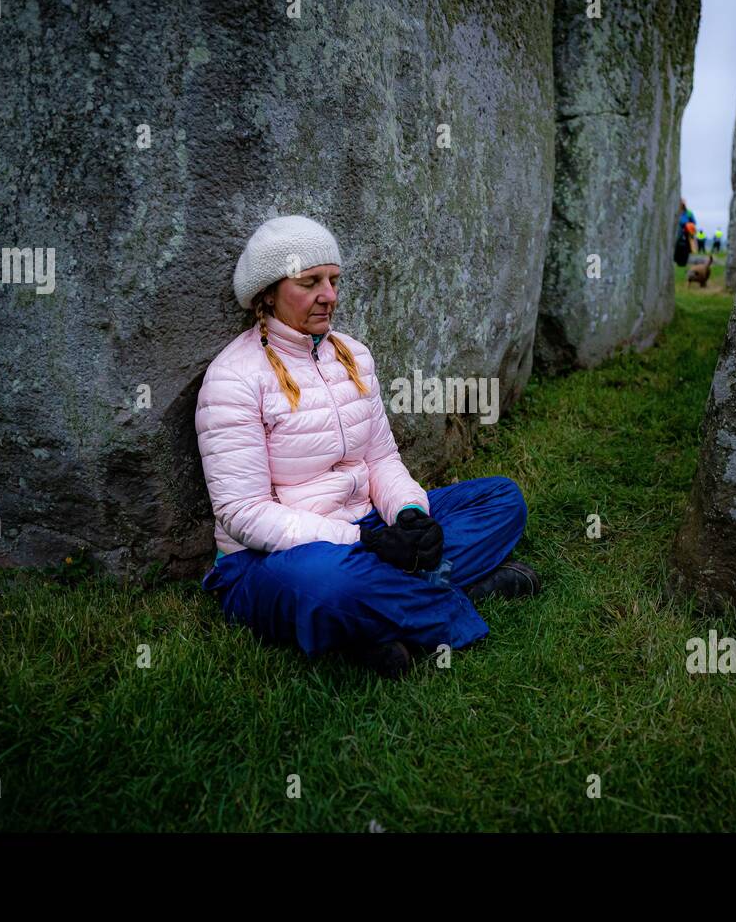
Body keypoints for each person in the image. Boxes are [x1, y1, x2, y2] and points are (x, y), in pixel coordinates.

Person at [196, 215, 542, 679]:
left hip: (369, 526)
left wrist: (409, 516)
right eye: (310, 282)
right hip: (273, 557)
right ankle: (454, 597)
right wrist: (362, 540)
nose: (329, 296)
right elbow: (242, 513)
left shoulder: (353, 355)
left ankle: (377, 620)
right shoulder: (234, 377)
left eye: (334, 281)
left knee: (502, 499)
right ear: (268, 293)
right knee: (327, 583)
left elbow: (381, 458)